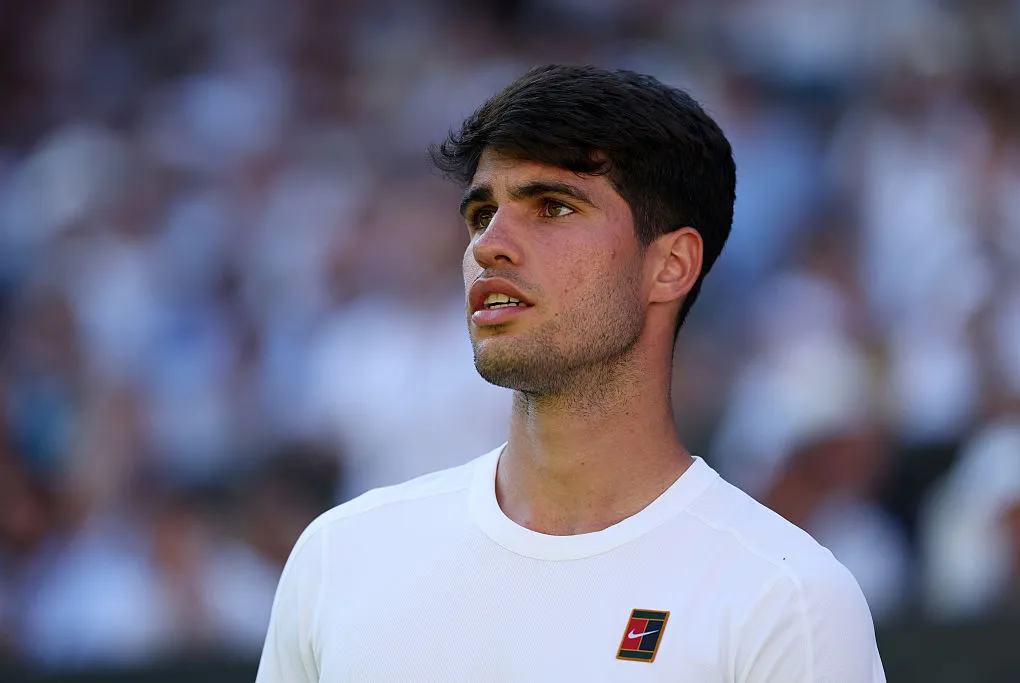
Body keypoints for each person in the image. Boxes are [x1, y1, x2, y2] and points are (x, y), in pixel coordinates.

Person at [256, 65, 886, 682]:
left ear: (670, 265)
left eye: (553, 208)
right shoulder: (340, 557)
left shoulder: (785, 598)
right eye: (480, 214)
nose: (488, 245)